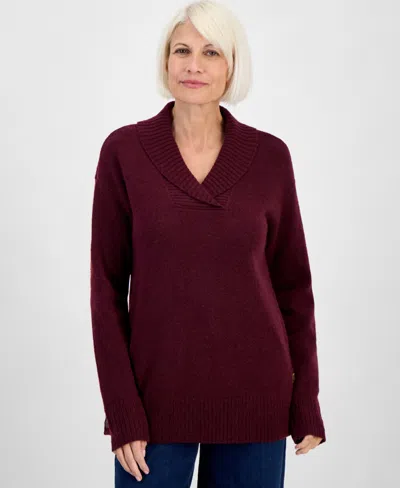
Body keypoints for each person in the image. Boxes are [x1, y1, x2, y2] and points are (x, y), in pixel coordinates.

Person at [90, 1, 327, 486]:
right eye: (182, 50)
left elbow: (294, 290)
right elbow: (106, 291)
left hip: (257, 401)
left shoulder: (270, 158)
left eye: (211, 52)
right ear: (165, 62)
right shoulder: (124, 153)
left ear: (232, 67)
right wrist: (122, 411)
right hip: (154, 406)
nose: (193, 65)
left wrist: (306, 400)